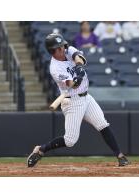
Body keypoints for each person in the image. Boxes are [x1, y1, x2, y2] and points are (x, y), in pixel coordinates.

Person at [27, 33, 130, 167]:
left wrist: (79, 67)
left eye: (62, 46)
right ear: (54, 51)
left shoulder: (67, 50)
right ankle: (41, 150)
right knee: (70, 140)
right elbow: (72, 84)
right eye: (60, 47)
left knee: (102, 124)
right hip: (72, 101)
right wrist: (77, 79)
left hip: (86, 97)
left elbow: (78, 57)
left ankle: (120, 155)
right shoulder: (55, 68)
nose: (63, 48)